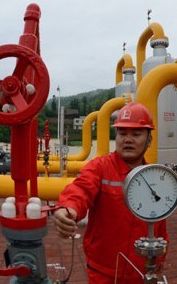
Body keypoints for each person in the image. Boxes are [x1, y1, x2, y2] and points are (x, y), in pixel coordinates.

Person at [53, 102, 167, 283]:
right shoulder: (100, 167)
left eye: (136, 134)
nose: (127, 139)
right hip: (103, 271)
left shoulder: (155, 176)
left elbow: (159, 221)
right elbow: (80, 189)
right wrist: (67, 209)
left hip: (141, 269)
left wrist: (159, 258)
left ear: (149, 140)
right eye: (122, 133)